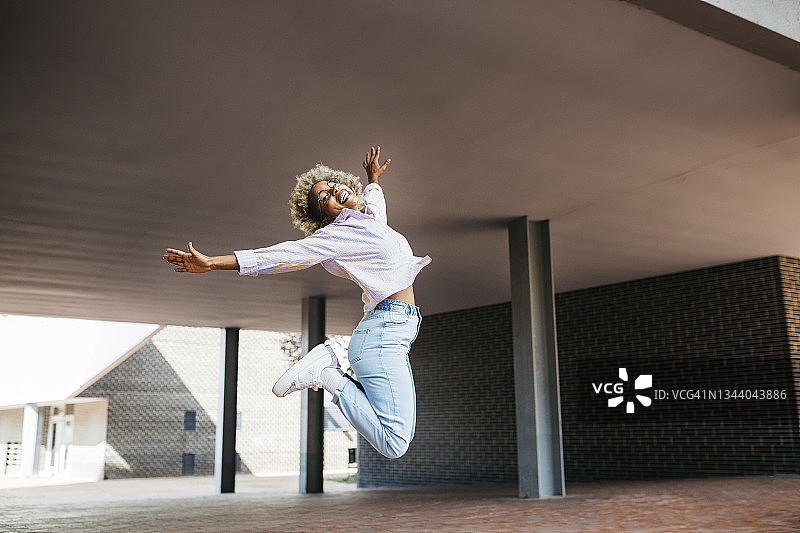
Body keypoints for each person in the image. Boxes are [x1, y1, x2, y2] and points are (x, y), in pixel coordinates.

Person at [163, 146, 430, 459]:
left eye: (334, 185)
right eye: (324, 197)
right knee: (394, 443)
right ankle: (327, 373)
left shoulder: (371, 226)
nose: (334, 191)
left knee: (401, 434)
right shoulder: (334, 237)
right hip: (381, 335)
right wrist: (212, 263)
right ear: (324, 217)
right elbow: (279, 255)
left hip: (394, 332)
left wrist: (372, 180)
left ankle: (329, 371)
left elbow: (376, 208)